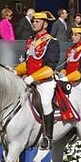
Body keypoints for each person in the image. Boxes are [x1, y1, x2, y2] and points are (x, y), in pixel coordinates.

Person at [14, 11, 59, 149]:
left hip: (44, 82)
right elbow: (27, 64)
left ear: (45, 24)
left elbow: (50, 68)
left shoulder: (52, 42)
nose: (34, 23)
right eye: (33, 21)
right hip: (29, 81)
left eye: (37, 21)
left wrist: (32, 77)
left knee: (45, 103)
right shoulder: (30, 41)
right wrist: (15, 71)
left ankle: (48, 137)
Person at [60, 25, 81, 94]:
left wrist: (66, 78)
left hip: (80, 83)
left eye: (75, 35)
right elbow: (65, 67)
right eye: (72, 35)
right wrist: (62, 73)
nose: (72, 37)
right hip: (68, 82)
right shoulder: (70, 50)